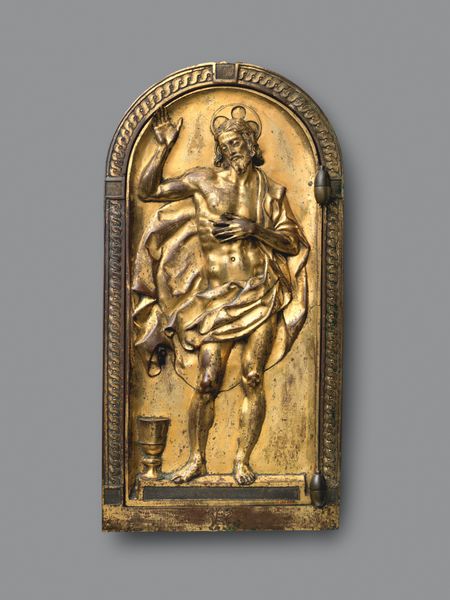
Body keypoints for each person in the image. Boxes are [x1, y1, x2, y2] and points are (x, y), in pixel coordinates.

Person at [132, 104, 309, 484]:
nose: (233, 148)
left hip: (261, 292)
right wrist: (162, 147)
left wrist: (254, 229)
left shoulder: (270, 190)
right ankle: (197, 459)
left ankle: (242, 461)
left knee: (252, 376)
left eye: (239, 141)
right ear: (220, 149)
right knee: (208, 380)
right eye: (227, 143)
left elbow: (293, 242)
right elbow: (147, 191)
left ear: (252, 144)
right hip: (216, 299)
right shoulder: (202, 181)